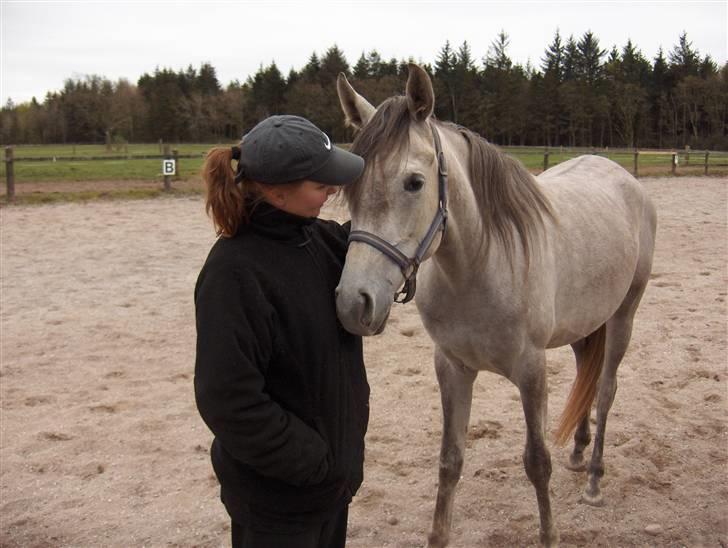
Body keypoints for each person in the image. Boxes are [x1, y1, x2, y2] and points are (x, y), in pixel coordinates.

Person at [194, 115, 370, 548]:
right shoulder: (234, 274)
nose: (332, 191)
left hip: (331, 488)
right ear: (276, 191)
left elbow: (375, 247)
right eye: (321, 184)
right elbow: (228, 399)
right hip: (279, 503)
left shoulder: (318, 239)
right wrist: (314, 463)